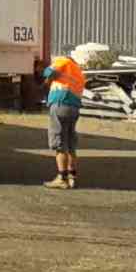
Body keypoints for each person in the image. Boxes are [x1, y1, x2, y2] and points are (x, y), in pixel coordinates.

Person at [42, 50, 87, 188]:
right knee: (70, 143)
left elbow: (48, 72)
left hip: (60, 104)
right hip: (74, 107)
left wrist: (44, 72)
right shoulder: (79, 72)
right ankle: (72, 175)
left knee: (59, 142)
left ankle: (62, 178)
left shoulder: (63, 61)